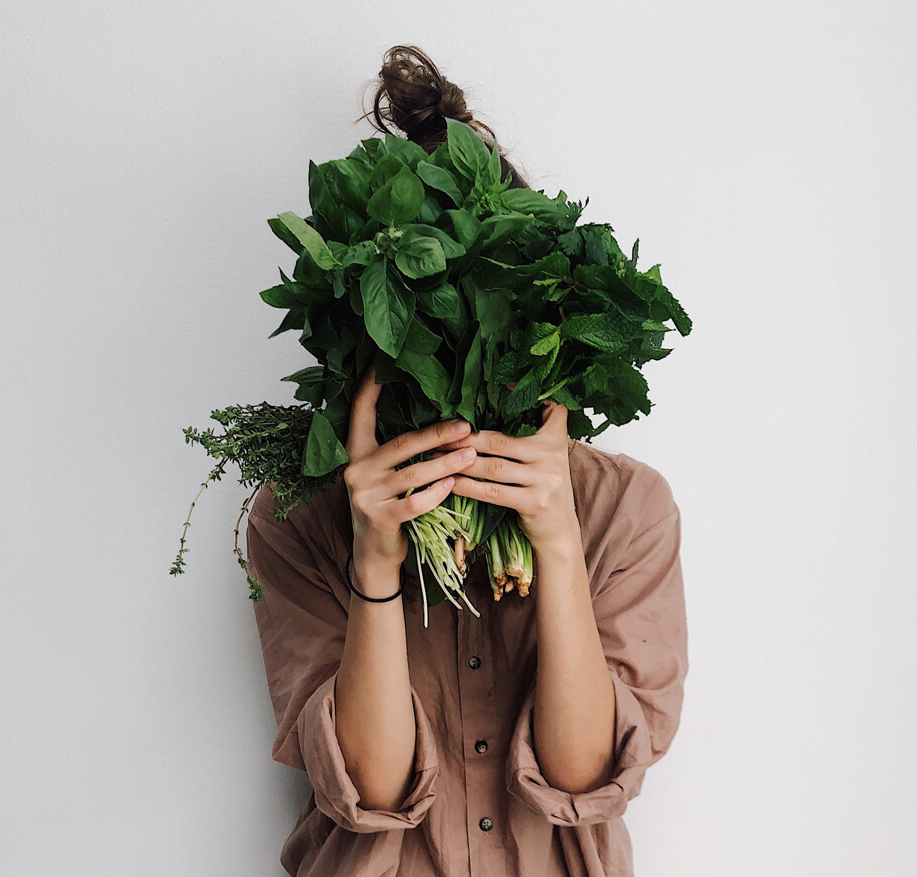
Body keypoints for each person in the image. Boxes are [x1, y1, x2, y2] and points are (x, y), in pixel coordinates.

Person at [246, 44, 688, 877]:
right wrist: (375, 561)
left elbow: (582, 779)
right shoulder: (298, 516)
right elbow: (369, 790)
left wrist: (557, 542)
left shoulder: (625, 508)